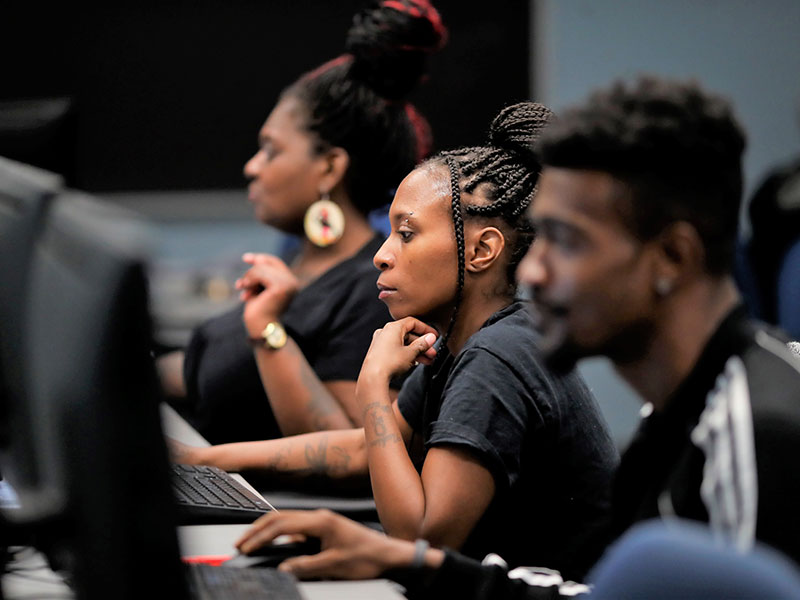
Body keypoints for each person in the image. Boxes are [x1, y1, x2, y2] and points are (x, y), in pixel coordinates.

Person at [228, 76, 800, 598]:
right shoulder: (677, 413)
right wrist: (409, 563)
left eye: (567, 241)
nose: (532, 270)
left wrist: (412, 552)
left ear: (672, 257)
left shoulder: (752, 432)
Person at [172, 101, 619, 580]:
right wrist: (202, 460)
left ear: (483, 250)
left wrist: (373, 392)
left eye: (406, 234)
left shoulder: (498, 358)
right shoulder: (464, 344)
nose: (382, 256)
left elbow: (420, 541)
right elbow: (367, 448)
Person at [161, 0, 448, 444]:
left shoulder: (372, 289)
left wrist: (270, 333)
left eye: (271, 150)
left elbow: (356, 447)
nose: (252, 167)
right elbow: (211, 374)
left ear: (329, 168)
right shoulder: (296, 262)